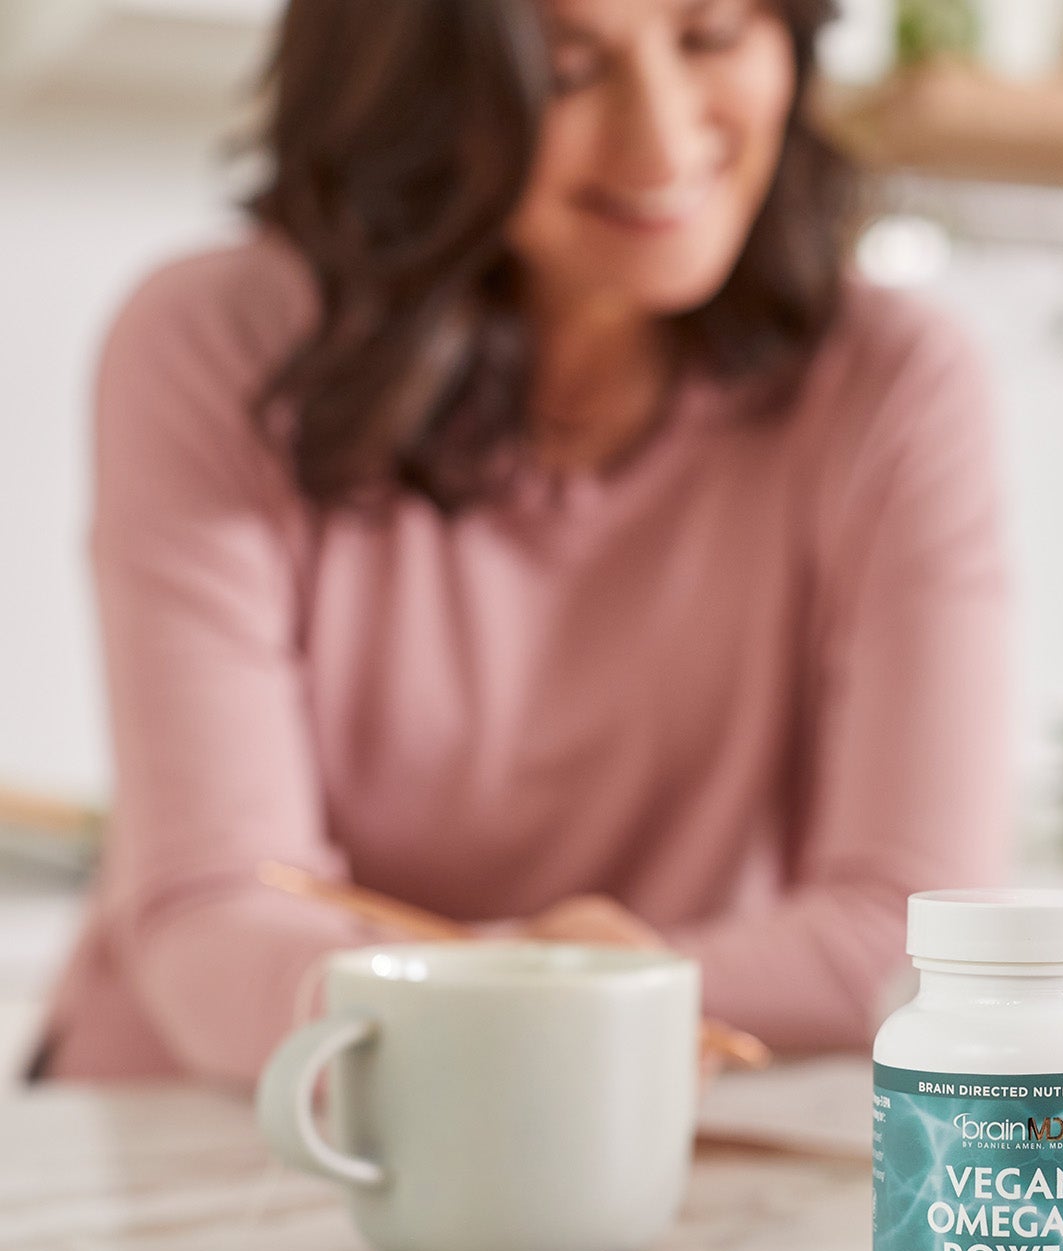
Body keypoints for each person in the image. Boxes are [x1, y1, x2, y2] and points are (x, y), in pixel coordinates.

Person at [37, 0, 1007, 1088]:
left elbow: (925, 941)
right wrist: (569, 1005)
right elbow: (213, 914)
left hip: (630, 1141)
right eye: (566, 70)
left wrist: (519, 1009)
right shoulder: (215, 347)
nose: (663, 139)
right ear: (407, 98)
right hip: (224, 1132)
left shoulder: (889, 384)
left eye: (714, 36)